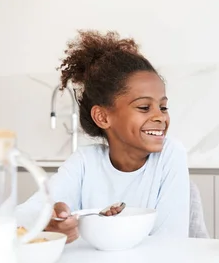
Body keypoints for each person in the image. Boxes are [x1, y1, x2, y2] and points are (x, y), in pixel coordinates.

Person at [18, 30, 190, 242]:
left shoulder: (170, 155)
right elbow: (24, 216)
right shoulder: (84, 163)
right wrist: (49, 224)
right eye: (144, 107)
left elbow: (171, 242)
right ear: (102, 116)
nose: (160, 117)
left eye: (163, 107)